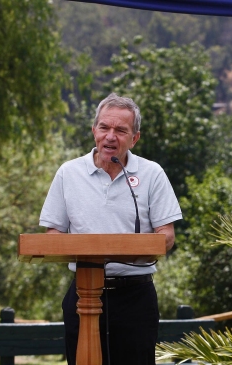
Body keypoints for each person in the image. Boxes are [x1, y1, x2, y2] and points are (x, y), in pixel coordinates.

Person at [39, 93, 182, 365]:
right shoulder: (68, 173)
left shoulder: (152, 174)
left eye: (120, 130)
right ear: (94, 130)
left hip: (135, 298)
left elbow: (166, 237)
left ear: (135, 138)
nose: (110, 136)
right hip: (83, 294)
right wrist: (89, 252)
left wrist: (123, 251)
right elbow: (53, 235)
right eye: (104, 127)